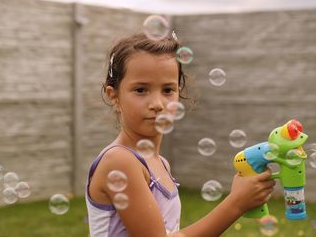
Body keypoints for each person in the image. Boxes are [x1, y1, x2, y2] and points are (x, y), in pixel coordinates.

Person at [85, 32, 276, 237]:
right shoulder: (120, 161)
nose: (157, 104)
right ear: (114, 96)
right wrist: (236, 203)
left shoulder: (160, 163)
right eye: (140, 90)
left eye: (167, 90)